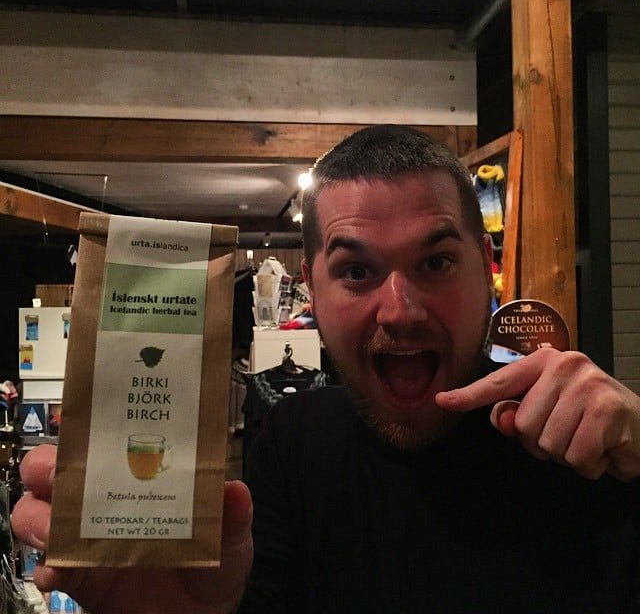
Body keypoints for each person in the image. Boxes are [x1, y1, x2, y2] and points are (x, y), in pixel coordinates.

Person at [11, 125, 640, 613]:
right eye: (357, 271)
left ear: (485, 265)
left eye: (436, 263)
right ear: (312, 287)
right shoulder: (293, 444)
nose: (400, 310)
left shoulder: (578, 450)